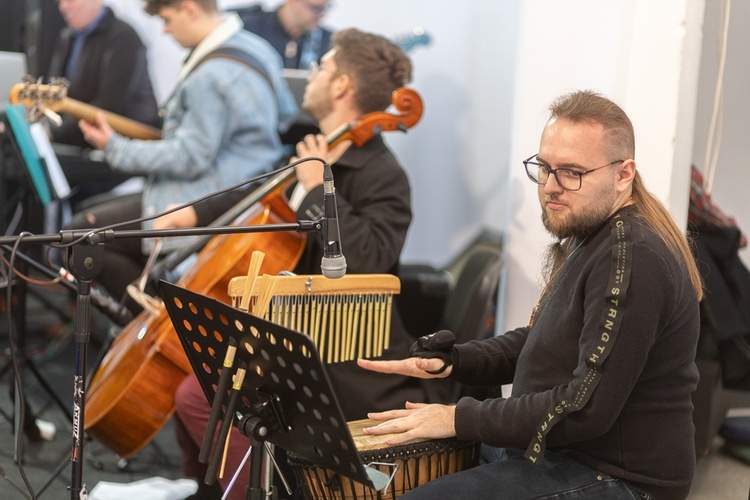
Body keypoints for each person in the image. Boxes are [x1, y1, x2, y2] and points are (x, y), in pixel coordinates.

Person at [357, 90, 704, 500]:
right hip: (562, 453)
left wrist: (456, 418)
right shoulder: (592, 232)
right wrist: (455, 361)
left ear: (623, 174)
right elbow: (545, 340)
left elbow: (585, 408)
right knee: (386, 473)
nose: (551, 187)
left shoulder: (631, 257)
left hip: (619, 477)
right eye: (544, 168)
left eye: (572, 172)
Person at [161, 28, 452, 500]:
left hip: (344, 352)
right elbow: (258, 193)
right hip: (294, 334)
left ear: (341, 85)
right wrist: (189, 215)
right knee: (198, 386)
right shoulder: (310, 147)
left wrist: (318, 189)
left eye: (320, 68)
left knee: (200, 395)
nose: (309, 77)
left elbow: (370, 259)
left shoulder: (383, 174)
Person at [66, 0, 297, 312]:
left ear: (189, 8)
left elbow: (189, 158)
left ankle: (165, 324)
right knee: (96, 222)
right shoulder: (258, 49)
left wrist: (114, 147)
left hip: (204, 198)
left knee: (83, 237)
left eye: (167, 19)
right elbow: (286, 115)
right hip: (247, 194)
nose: (164, 30)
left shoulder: (209, 76)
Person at [47, 0, 161, 207]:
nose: (63, 7)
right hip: (80, 143)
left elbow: (108, 106)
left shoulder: (124, 36)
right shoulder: (67, 37)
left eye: (70, 0)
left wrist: (55, 133)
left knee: (80, 200)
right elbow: (55, 96)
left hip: (123, 148)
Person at [233, 0, 332, 69]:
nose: (321, 15)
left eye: (325, 8)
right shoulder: (250, 28)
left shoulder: (328, 41)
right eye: (315, 8)